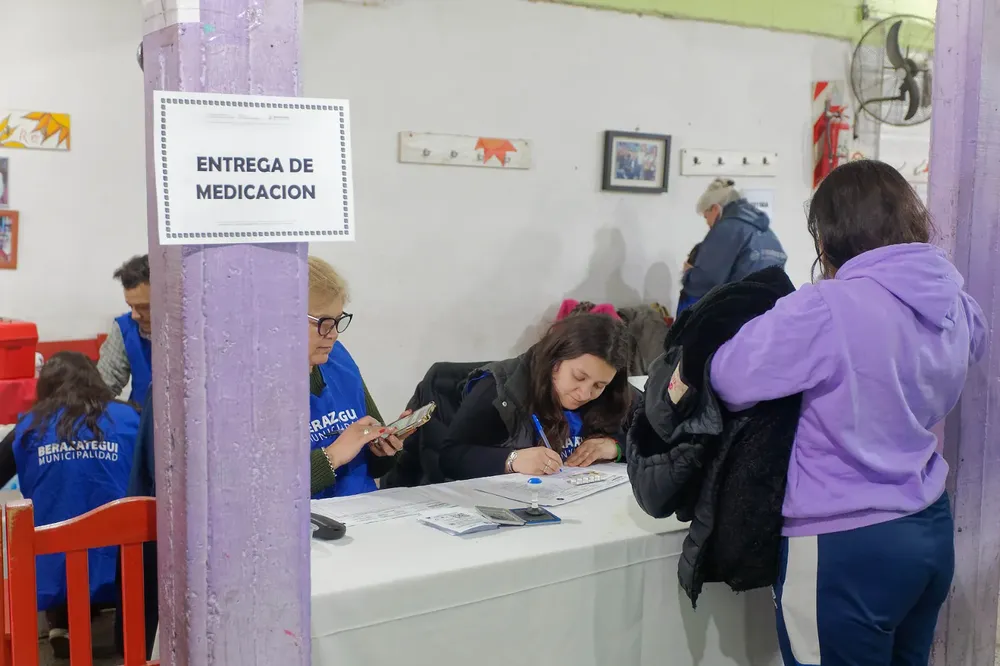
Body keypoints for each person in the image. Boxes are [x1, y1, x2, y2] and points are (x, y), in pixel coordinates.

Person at [708, 160, 985, 666]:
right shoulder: (955, 302)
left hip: (842, 541)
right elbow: (975, 344)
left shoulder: (826, 308)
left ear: (828, 235)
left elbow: (728, 377)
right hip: (926, 528)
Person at [12, 352, 139, 658]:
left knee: (58, 529)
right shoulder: (131, 417)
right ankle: (131, 631)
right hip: (124, 558)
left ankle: (62, 624)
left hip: (56, 565)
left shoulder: (31, 426)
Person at [439, 313, 635, 480]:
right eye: (578, 377)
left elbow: (658, 433)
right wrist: (511, 460)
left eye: (599, 385)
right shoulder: (501, 389)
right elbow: (451, 456)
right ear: (555, 360)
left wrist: (617, 447)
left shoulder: (612, 392)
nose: (585, 393)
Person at [679, 178, 786, 313]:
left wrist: (689, 274)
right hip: (768, 312)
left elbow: (706, 281)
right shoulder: (767, 232)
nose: (708, 224)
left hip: (736, 314)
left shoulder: (726, 228)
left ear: (715, 208)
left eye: (706, 217)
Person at [97, 254, 153, 405]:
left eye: (144, 307)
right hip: (141, 423)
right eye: (130, 306)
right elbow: (102, 388)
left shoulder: (194, 332)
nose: (135, 315)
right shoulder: (125, 328)